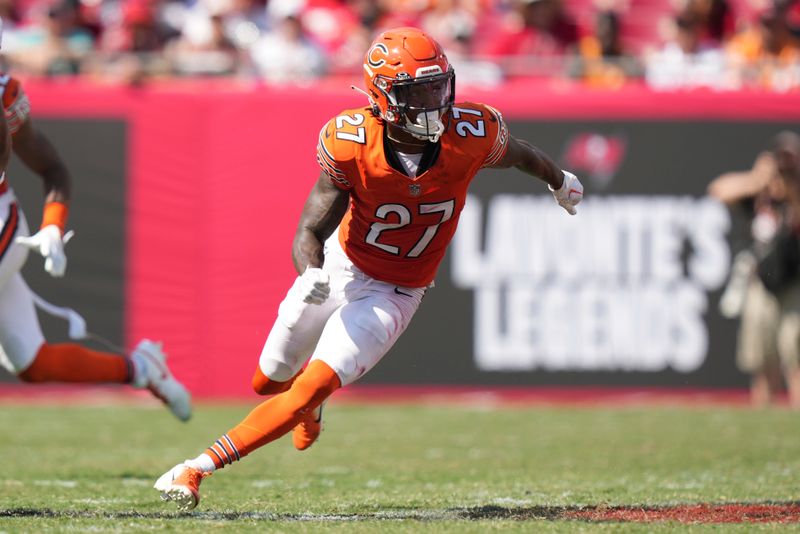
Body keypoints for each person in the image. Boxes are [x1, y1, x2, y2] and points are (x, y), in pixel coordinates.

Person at [154, 26, 583, 511]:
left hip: (396, 291)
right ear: (384, 95)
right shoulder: (353, 141)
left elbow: (522, 155)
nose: (434, 101)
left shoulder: (471, 132)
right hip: (341, 266)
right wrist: (310, 273)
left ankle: (196, 468)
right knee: (269, 381)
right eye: (418, 91)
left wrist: (561, 180)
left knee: (309, 385)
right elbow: (308, 232)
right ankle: (309, 408)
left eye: (438, 86)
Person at [0, 60, 191, 421]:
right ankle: (142, 368)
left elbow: (52, 169)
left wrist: (53, 225)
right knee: (32, 362)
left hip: (1, 219)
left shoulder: (5, 97)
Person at [708, 131, 800, 408]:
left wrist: (792, 188)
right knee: (762, 362)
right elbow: (718, 190)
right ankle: (763, 421)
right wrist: (758, 178)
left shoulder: (793, 196)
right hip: (761, 284)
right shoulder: (760, 195)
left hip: (794, 286)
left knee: (795, 358)